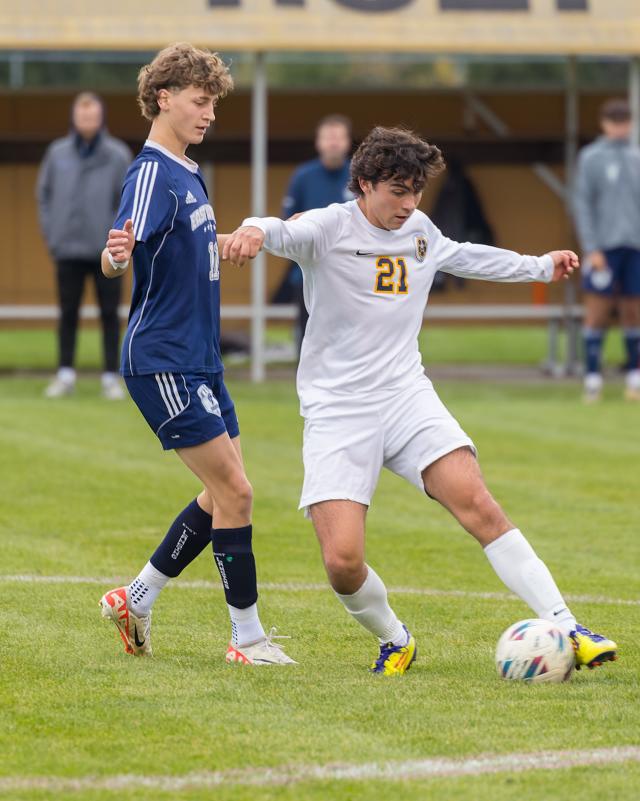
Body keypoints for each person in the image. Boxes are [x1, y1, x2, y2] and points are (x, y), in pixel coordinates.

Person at [223, 126, 617, 677]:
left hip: (407, 397)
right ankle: (395, 637)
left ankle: (570, 628)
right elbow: (279, 228)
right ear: (363, 184)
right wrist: (249, 230)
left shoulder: (421, 230)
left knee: (478, 502)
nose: (408, 205)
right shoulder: (329, 227)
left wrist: (540, 266)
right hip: (339, 410)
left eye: (416, 192)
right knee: (341, 562)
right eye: (397, 192)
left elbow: (464, 256)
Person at [98, 43, 294, 666]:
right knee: (236, 491)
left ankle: (136, 598)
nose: (210, 114)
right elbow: (119, 248)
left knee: (223, 494)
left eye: (213, 103)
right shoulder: (154, 171)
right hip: (164, 360)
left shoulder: (187, 169)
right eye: (200, 102)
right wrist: (115, 255)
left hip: (199, 359)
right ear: (164, 98)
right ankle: (248, 639)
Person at [37, 92, 132, 400]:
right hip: (67, 249)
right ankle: (65, 374)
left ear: (101, 118)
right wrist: (54, 236)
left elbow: (127, 202)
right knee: (67, 313)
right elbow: (44, 196)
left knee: (109, 313)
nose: (87, 121)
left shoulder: (117, 155)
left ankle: (110, 377)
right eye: (82, 115)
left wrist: (118, 241)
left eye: (92, 116)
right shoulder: (57, 153)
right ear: (74, 118)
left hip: (107, 251)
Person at [573, 98, 640, 402]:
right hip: (604, 248)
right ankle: (592, 378)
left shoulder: (636, 155)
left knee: (633, 311)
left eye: (624, 121)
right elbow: (582, 204)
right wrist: (592, 248)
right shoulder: (591, 157)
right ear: (604, 123)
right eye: (614, 121)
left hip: (635, 247)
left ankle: (634, 379)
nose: (620, 127)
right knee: (597, 312)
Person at [273, 114, 353, 353]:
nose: (333, 143)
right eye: (328, 137)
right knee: (310, 344)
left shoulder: (360, 177)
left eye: (339, 137)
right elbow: (287, 223)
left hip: (351, 274)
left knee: (349, 345)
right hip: (308, 275)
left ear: (348, 142)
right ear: (318, 143)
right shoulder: (303, 176)